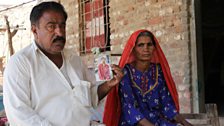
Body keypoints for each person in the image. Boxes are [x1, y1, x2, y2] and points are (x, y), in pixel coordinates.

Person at [3, 1, 123, 126]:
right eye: (51, 27)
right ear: (34, 30)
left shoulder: (74, 59)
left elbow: (90, 97)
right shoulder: (20, 63)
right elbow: (20, 116)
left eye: (62, 26)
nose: (60, 33)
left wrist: (109, 84)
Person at [103, 29, 193, 126]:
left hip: (156, 121)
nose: (146, 48)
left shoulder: (158, 71)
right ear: (133, 49)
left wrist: (185, 122)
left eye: (149, 45)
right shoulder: (125, 73)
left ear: (154, 48)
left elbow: (166, 104)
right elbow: (129, 107)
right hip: (134, 123)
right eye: (140, 45)